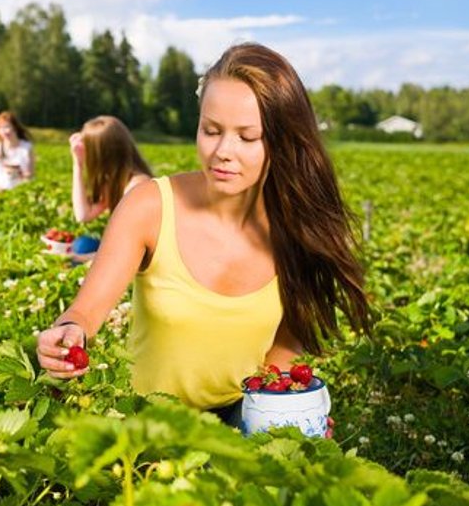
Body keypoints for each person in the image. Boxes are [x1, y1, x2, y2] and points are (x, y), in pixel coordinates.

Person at [35, 42, 370, 429]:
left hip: (238, 415)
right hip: (146, 420)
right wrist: (67, 334)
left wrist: (286, 413)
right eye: (211, 131)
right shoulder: (149, 208)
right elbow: (85, 313)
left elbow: (286, 344)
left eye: (247, 137)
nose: (223, 151)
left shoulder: (295, 229)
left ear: (283, 140)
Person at [68, 115, 153, 261]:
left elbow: (131, 255)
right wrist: (78, 165)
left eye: (87, 149)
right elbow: (83, 215)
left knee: (80, 251)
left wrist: (77, 258)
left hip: (143, 260)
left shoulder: (137, 187)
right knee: (82, 245)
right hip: (126, 254)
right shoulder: (115, 181)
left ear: (101, 155)